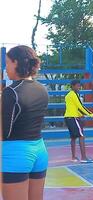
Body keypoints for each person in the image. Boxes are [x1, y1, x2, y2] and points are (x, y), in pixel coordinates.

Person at [2, 45, 49, 200]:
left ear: (16, 63)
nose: (5, 67)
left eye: (7, 62)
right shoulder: (42, 89)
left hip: (16, 153)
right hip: (39, 151)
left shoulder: (11, 92)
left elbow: (4, 133)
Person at [64, 80, 93, 163]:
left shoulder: (68, 95)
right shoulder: (74, 94)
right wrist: (91, 114)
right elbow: (80, 106)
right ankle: (84, 158)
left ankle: (73, 157)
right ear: (73, 86)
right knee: (81, 136)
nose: (79, 87)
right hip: (73, 118)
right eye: (77, 86)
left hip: (68, 117)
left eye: (79, 86)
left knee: (73, 138)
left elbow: (73, 107)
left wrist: (80, 114)